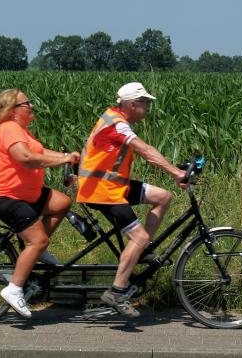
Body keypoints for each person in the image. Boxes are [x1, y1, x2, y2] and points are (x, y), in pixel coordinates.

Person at [76, 82, 187, 318]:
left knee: (164, 197)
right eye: (145, 102)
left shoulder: (115, 118)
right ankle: (117, 291)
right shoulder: (117, 125)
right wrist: (176, 173)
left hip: (115, 184)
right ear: (132, 104)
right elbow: (146, 151)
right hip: (102, 190)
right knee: (138, 236)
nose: (148, 107)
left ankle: (142, 249)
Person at [0, 89, 80, 318]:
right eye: (27, 103)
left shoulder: (22, 130)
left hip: (26, 194)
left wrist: (66, 156)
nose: (32, 106)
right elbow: (25, 157)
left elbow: (40, 151)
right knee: (39, 239)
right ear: (12, 110)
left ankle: (34, 252)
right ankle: (14, 289)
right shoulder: (9, 129)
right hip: (6, 196)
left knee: (62, 203)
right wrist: (63, 159)